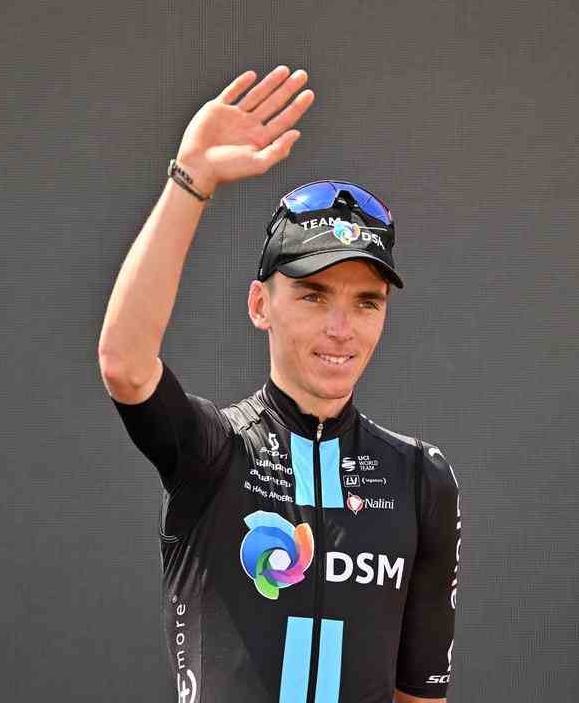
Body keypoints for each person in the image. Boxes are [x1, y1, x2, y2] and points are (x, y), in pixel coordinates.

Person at [99, 66, 461, 703]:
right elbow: (126, 363)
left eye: (367, 303)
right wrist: (191, 181)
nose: (341, 329)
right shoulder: (214, 451)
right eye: (315, 296)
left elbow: (421, 693)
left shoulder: (420, 478)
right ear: (260, 305)